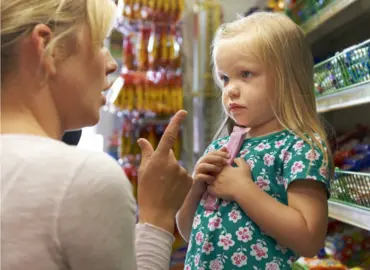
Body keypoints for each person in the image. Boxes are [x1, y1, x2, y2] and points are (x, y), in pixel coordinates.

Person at [1, 0, 192, 269]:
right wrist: (157, 217)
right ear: (47, 49)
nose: (112, 64)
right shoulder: (80, 180)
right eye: (101, 42)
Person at [177, 12, 332, 269]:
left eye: (246, 74)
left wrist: (243, 191)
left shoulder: (301, 148)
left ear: (287, 77)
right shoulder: (222, 147)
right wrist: (195, 188)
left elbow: (309, 239)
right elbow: (189, 233)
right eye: (225, 78)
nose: (231, 89)